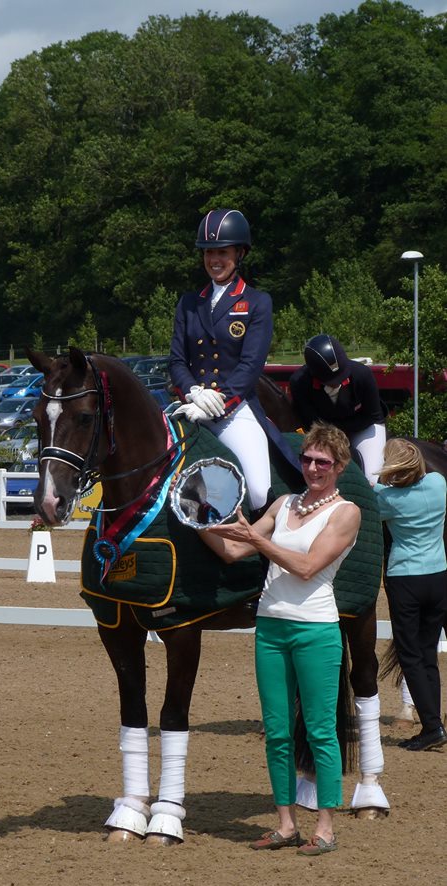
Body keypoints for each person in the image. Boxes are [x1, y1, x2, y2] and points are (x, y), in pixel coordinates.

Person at [201, 423, 361, 855]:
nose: (312, 467)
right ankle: (285, 823)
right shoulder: (284, 502)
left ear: (339, 466)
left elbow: (307, 567)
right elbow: (234, 551)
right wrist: (197, 516)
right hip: (270, 627)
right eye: (307, 459)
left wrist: (256, 536)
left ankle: (325, 826)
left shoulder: (345, 512)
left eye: (322, 462)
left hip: (316, 629)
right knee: (276, 732)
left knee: (321, 730)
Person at [169, 208, 301, 514]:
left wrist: (217, 402)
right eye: (208, 252)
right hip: (190, 405)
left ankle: (258, 554)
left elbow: (250, 367)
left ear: (239, 253)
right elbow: (177, 360)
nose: (214, 259)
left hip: (234, 410)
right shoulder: (189, 303)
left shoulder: (257, 302)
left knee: (256, 490)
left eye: (222, 252)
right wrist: (193, 393)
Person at [375, 438, 447, 751]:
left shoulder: (385, 499)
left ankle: (432, 726)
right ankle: (434, 723)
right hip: (439, 575)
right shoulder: (437, 484)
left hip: (406, 579)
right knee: (428, 652)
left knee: (411, 656)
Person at [289, 334, 387, 485]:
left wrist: (340, 431)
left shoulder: (362, 374)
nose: (338, 383)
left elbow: (371, 415)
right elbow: (311, 421)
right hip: (322, 431)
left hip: (365, 426)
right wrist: (335, 435)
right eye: (332, 380)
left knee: (371, 478)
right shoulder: (299, 382)